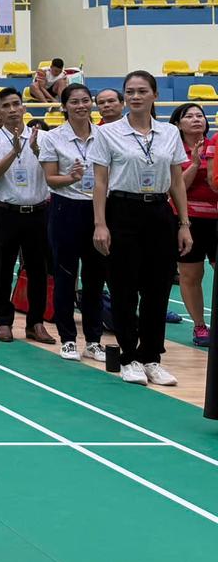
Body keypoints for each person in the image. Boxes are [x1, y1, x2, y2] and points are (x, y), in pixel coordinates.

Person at [92, 71, 192, 387]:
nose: (135, 97)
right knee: (123, 288)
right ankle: (129, 357)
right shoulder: (107, 133)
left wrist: (184, 224)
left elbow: (176, 181)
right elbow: (100, 182)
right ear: (124, 97)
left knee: (157, 290)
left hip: (159, 213)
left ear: (154, 95)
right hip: (122, 211)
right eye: (130, 92)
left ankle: (151, 358)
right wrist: (100, 224)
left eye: (142, 91)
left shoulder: (169, 133)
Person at [0, 87, 52, 345]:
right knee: (3, 268)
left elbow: (53, 170)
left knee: (38, 269)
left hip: (38, 211)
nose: (12, 110)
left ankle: (36, 323)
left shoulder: (43, 137)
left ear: (24, 107)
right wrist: (14, 151)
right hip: (6, 211)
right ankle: (3, 321)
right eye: (6, 106)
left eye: (16, 104)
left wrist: (36, 151)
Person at [38, 83, 108, 362]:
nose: (81, 106)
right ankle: (68, 339)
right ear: (64, 106)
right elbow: (50, 179)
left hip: (99, 209)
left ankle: (93, 340)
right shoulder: (53, 138)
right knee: (66, 275)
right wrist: (71, 177)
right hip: (65, 208)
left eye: (85, 100)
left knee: (95, 278)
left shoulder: (104, 135)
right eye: (74, 102)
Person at [171, 103, 216, 348]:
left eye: (200, 115)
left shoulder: (215, 145)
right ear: (178, 124)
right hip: (188, 220)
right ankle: (200, 326)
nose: (196, 119)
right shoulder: (174, 149)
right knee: (192, 274)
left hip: (216, 218)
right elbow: (177, 187)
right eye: (189, 116)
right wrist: (196, 163)